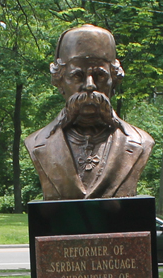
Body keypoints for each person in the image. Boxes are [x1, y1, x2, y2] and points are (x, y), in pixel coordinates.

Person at [25, 24, 154, 201]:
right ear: (60, 82)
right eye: (77, 76)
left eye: (100, 76)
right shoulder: (37, 143)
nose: (90, 85)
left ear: (113, 80)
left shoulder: (140, 142)